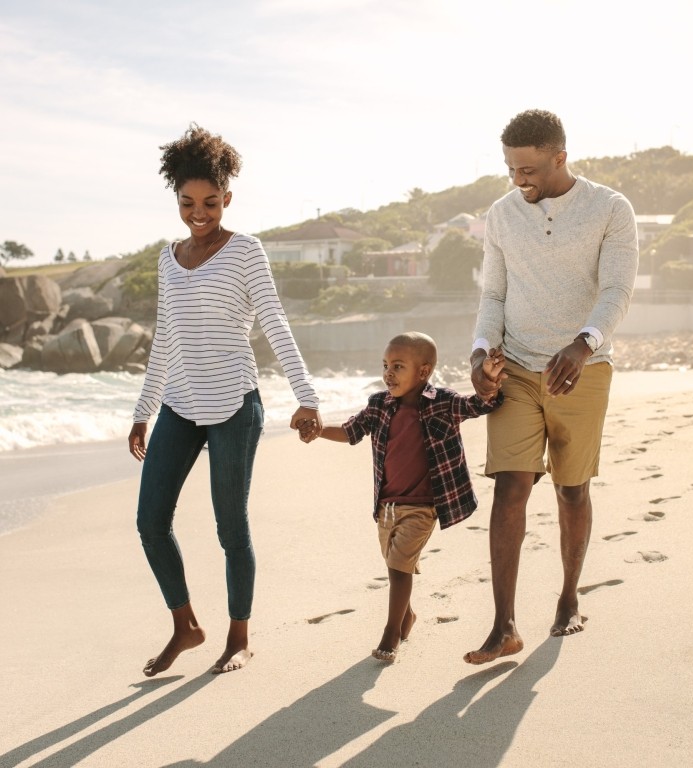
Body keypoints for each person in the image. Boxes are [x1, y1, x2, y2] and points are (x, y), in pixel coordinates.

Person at [128, 123, 323, 676]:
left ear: (227, 199)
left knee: (230, 529)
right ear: (177, 200)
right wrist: (143, 411)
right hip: (179, 405)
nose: (199, 213)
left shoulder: (246, 252)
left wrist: (306, 396)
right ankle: (185, 625)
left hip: (235, 407)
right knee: (149, 521)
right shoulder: (169, 259)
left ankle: (238, 636)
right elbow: (165, 336)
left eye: (210, 202)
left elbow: (274, 322)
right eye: (188, 202)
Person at [464, 109, 638, 665]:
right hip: (514, 366)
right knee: (509, 488)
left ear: (560, 158)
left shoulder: (611, 209)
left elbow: (616, 289)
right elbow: (493, 297)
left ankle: (568, 597)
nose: (520, 181)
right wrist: (478, 354)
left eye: (530, 170)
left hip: (582, 369)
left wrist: (583, 344)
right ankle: (504, 626)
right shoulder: (501, 214)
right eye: (512, 170)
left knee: (571, 490)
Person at [301, 332, 504, 662]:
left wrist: (491, 381)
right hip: (386, 507)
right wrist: (318, 430)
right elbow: (352, 431)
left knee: (398, 568)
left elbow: (478, 405)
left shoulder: (442, 402)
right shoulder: (379, 404)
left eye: (398, 366)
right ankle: (406, 616)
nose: (388, 373)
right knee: (395, 562)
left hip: (423, 507)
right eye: (385, 366)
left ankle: (391, 632)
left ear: (423, 372)